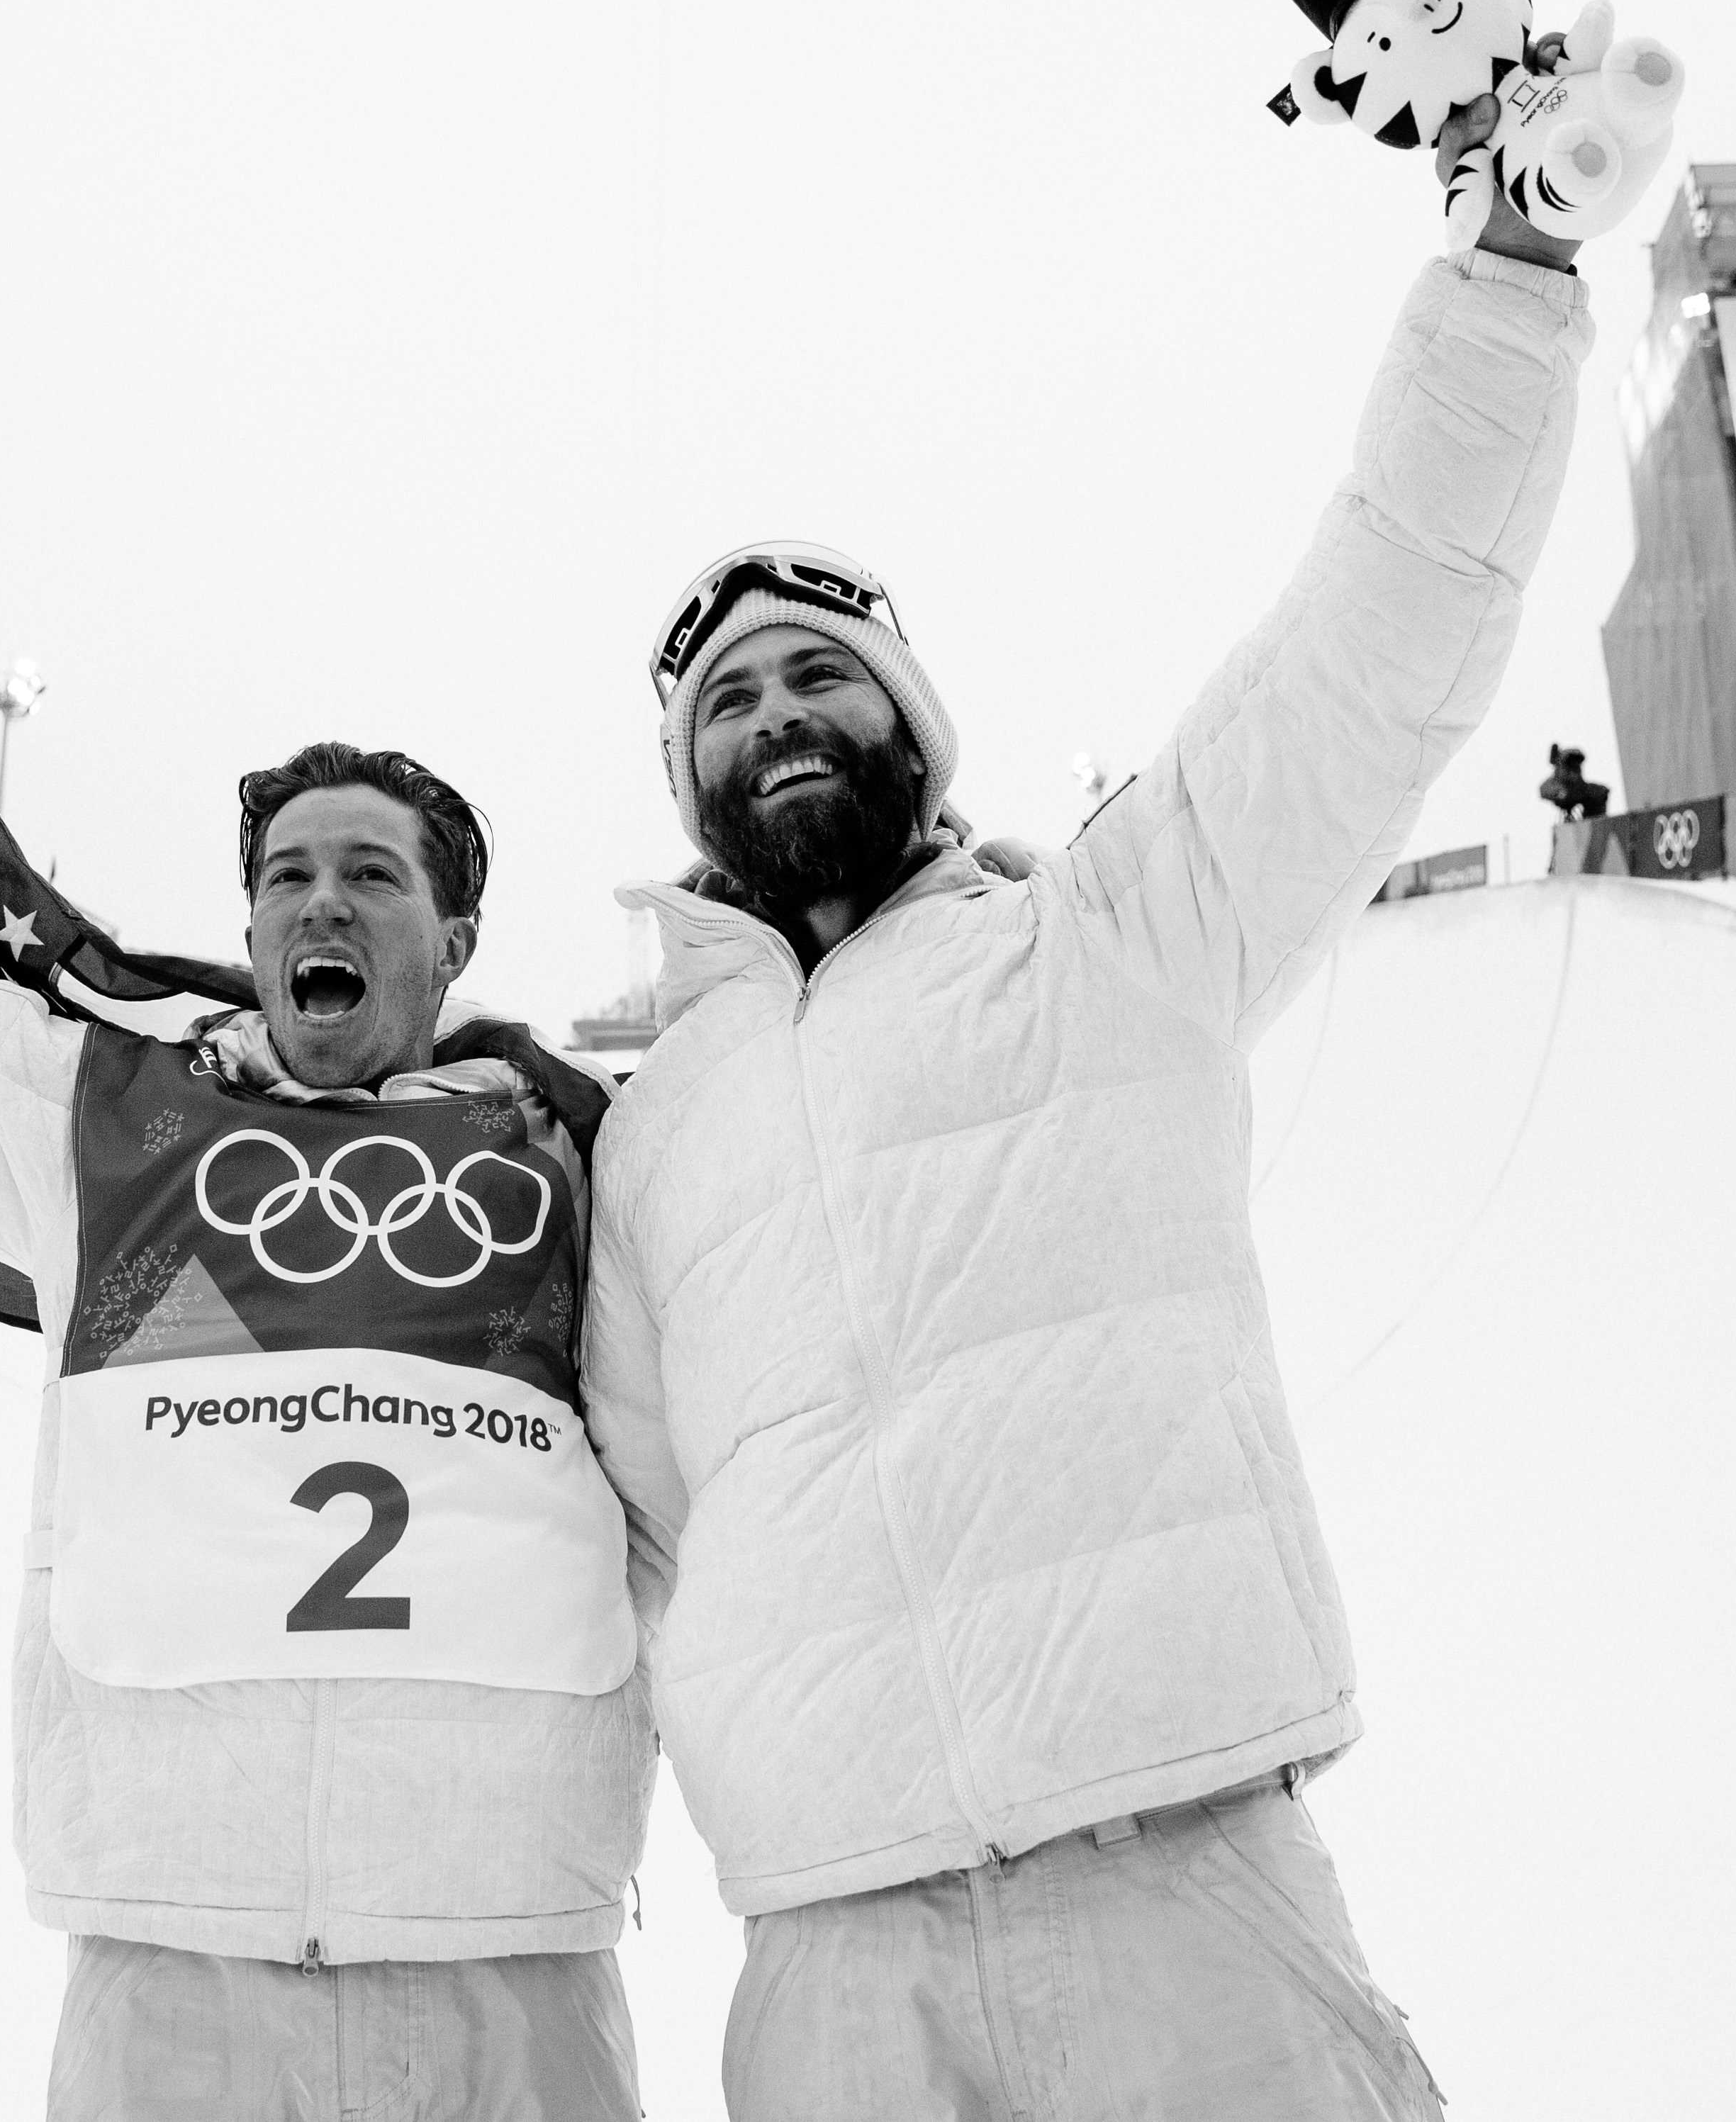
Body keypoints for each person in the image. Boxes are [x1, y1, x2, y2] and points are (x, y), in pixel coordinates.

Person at [579, 188, 1603, 2116]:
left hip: (1183, 1896)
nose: (776, 714)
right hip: (834, 1963)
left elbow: (1366, 648)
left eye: (820, 674)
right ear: (690, 782)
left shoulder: (1111, 933)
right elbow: (644, 1534)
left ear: (915, 723)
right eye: (728, 701)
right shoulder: (654, 1136)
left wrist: (1512, 270)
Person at [0, 539, 654, 2120]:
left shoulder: (592, 1153)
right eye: (289, 874)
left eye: (373, 873)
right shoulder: (111, 1117)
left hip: (508, 1960)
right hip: (172, 1964)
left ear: (456, 937)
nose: (322, 898)